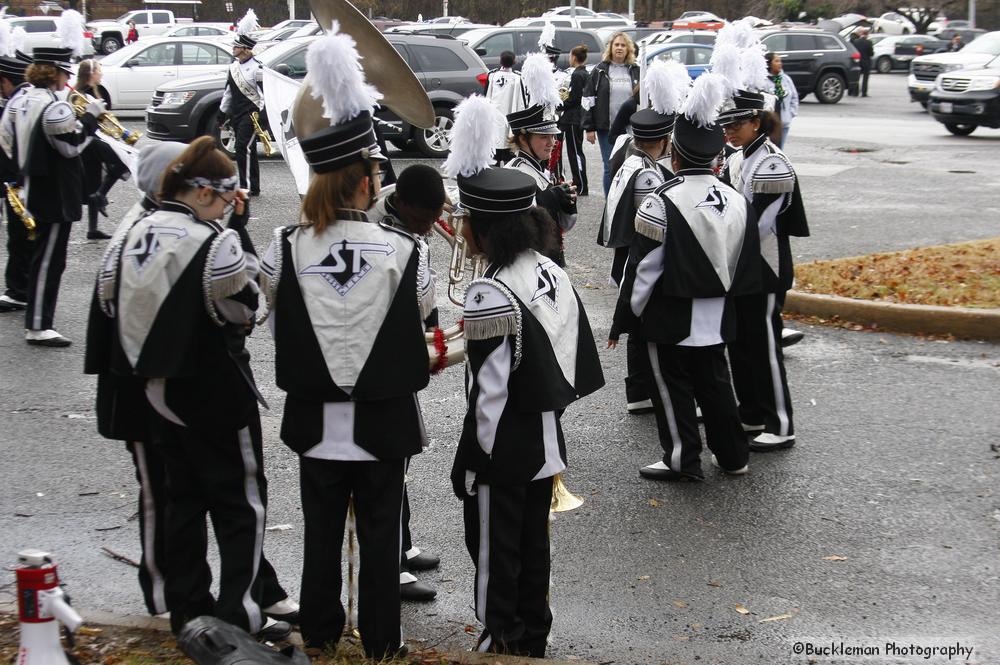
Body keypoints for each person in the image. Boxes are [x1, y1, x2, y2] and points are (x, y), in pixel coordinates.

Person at [260, 25, 433, 660]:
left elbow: (276, 325)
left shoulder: (284, 247)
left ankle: (324, 634)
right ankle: (384, 645)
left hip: (313, 416)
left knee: (320, 532)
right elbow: (419, 316)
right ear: (364, 181)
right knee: (384, 535)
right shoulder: (404, 249)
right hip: (383, 417)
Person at [103, 136, 293, 640]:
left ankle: (189, 612)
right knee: (241, 505)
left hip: (155, 391)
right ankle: (242, 614)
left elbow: (107, 301)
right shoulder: (215, 243)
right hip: (215, 390)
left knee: (182, 502)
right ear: (207, 191)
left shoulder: (132, 230)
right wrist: (236, 234)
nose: (233, 207)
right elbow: (248, 308)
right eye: (230, 198)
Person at [444, 96, 604, 654]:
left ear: (485, 229)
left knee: (494, 550)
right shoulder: (545, 268)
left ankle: (501, 639)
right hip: (546, 436)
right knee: (533, 547)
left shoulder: (491, 289)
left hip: (506, 443)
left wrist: (472, 458)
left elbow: (491, 393)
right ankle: (533, 636)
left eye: (469, 224)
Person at [611, 74, 761, 482]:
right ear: (715, 158)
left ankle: (681, 457)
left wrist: (628, 318)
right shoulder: (737, 200)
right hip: (720, 313)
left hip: (671, 315)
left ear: (674, 155)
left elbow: (643, 271)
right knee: (716, 384)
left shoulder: (660, 202)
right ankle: (733, 457)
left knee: (671, 388)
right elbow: (748, 262)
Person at [367, 163, 447, 603]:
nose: (430, 229)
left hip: (402, 346)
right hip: (381, 352)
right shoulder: (378, 227)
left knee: (401, 458)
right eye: (424, 221)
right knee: (388, 460)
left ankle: (404, 543)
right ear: (403, 206)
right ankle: (392, 562)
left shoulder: (410, 218)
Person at [719, 89, 810, 453]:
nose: (730, 131)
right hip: (741, 265)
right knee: (740, 345)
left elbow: (754, 224)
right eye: (726, 124)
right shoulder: (739, 158)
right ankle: (752, 413)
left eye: (737, 123)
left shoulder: (773, 162)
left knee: (765, 346)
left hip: (766, 267)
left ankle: (781, 423)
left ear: (757, 122)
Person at [599, 60, 690, 415]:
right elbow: (652, 223)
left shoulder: (629, 159)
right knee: (644, 325)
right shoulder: (650, 175)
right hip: (639, 256)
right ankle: (642, 388)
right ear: (665, 139)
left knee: (638, 323)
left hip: (626, 255)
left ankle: (637, 390)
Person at [15, 46, 104, 346]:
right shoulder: (54, 105)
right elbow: (71, 147)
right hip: (52, 191)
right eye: (65, 72)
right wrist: (92, 120)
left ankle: (39, 322)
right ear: (55, 73)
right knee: (49, 260)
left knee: (45, 257)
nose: (68, 78)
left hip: (35, 184)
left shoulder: (24, 98)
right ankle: (39, 324)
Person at [506, 52, 577, 266]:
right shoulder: (514, 173)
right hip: (528, 265)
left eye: (553, 136)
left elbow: (565, 225)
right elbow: (515, 228)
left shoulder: (545, 170)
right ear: (523, 139)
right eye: (543, 137)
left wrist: (568, 205)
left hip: (551, 260)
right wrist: (547, 199)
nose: (551, 142)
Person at [74, 59, 129, 240]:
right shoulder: (81, 95)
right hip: (89, 142)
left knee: (93, 180)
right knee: (124, 160)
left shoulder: (90, 92)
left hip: (92, 140)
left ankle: (92, 229)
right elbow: (84, 122)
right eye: (99, 70)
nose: (101, 73)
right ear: (91, 73)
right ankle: (100, 195)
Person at [582, 32, 640, 194]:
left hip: (629, 128)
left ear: (628, 49)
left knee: (629, 165)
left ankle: (624, 202)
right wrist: (589, 127)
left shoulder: (636, 71)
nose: (619, 48)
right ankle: (610, 203)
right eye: (616, 45)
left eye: (623, 45)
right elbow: (588, 99)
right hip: (605, 128)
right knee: (610, 166)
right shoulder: (599, 71)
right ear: (611, 48)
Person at [0, 50, 33, 313]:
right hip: (24, 179)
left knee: (19, 237)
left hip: (18, 180)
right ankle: (22, 288)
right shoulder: (24, 99)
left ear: (6, 81)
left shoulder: (17, 103)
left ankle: (18, 291)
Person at [220, 9, 263, 195]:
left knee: (241, 147)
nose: (233, 48)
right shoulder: (233, 67)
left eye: (236, 46)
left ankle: (244, 186)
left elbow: (263, 95)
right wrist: (222, 113)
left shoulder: (258, 68)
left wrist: (262, 116)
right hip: (237, 114)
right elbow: (228, 92)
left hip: (252, 114)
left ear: (245, 49)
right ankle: (254, 186)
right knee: (249, 149)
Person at [484, 50, 526, 166]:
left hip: (495, 118)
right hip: (510, 118)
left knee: (494, 152)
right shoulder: (518, 78)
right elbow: (522, 102)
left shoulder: (492, 75)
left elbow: (485, 97)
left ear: (500, 61)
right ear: (514, 61)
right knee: (509, 154)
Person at [560, 44, 589, 195]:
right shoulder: (584, 73)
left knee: (575, 153)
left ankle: (581, 184)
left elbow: (575, 98)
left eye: (571, 56)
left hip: (573, 118)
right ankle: (579, 181)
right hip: (578, 117)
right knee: (575, 151)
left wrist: (561, 103)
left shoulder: (577, 75)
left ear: (574, 58)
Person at [765, 52, 798, 149]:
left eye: (780, 61)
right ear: (769, 63)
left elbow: (794, 98)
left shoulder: (786, 79)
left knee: (780, 150)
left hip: (784, 122)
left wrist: (790, 113)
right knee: (769, 150)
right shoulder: (764, 81)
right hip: (770, 123)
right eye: (776, 61)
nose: (780, 63)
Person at [851, 29, 874, 97]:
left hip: (858, 62)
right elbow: (871, 53)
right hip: (866, 62)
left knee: (857, 77)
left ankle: (855, 92)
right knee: (865, 78)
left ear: (861, 34)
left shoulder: (856, 41)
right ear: (867, 35)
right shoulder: (869, 42)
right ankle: (864, 92)